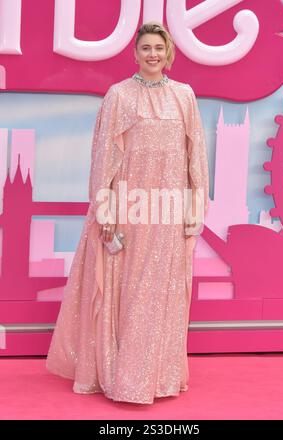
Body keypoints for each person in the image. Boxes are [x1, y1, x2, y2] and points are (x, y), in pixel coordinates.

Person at [46, 21, 209, 405]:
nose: (152, 54)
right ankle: (122, 377)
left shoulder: (184, 96)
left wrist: (194, 209)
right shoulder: (118, 96)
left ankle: (158, 378)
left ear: (168, 53)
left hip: (168, 214)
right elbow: (104, 157)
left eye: (158, 48)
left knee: (162, 296)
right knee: (125, 293)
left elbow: (195, 156)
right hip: (127, 212)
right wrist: (106, 214)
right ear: (134, 53)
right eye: (146, 48)